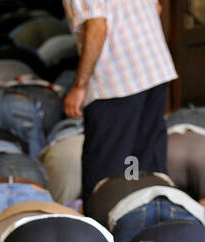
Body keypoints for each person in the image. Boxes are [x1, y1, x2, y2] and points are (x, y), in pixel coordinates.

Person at [62, 0, 178, 209]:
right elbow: (157, 7)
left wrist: (79, 86)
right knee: (148, 165)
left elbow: (98, 27)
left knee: (104, 176)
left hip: (116, 80)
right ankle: (151, 229)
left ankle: (105, 236)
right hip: (153, 66)